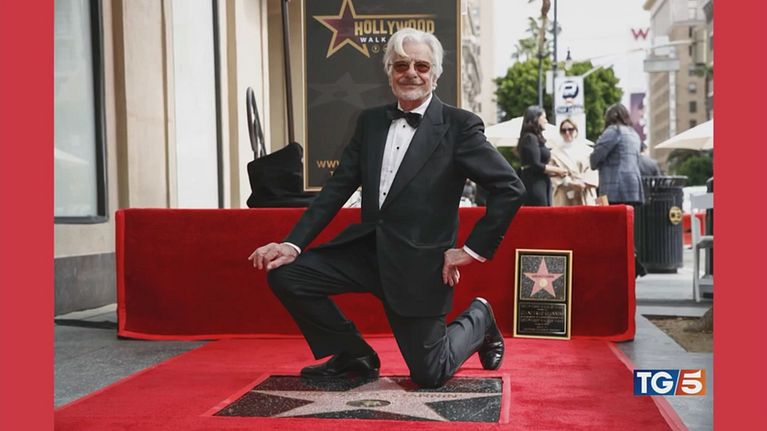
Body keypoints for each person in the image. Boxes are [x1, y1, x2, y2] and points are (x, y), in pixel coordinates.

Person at [248, 28, 526, 388]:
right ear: (389, 72)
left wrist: (470, 251)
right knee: (288, 275)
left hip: (419, 264)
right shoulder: (371, 122)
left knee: (430, 374)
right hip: (367, 251)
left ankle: (480, 317)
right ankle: (355, 355)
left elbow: (509, 188)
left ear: (435, 75)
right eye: (401, 65)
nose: (411, 73)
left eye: (421, 66)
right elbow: (336, 189)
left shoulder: (459, 126)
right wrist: (292, 244)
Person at [590, 103, 647, 276]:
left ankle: (627, 265)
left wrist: (594, 155)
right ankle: (631, 262)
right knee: (627, 228)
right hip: (633, 188)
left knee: (610, 229)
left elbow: (595, 159)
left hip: (613, 188)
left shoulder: (613, 131)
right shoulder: (634, 134)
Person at [517, 106, 568, 206]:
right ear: (535, 118)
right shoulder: (530, 138)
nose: (546, 121)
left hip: (540, 182)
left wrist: (554, 173)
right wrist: (557, 170)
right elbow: (535, 164)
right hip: (535, 185)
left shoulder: (533, 138)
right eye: (544, 117)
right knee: (540, 211)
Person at [550, 119, 599, 206]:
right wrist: (568, 182)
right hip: (564, 194)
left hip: (585, 192)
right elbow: (552, 174)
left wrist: (583, 183)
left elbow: (592, 169)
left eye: (570, 129)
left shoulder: (588, 150)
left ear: (576, 131)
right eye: (563, 130)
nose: (567, 133)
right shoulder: (554, 153)